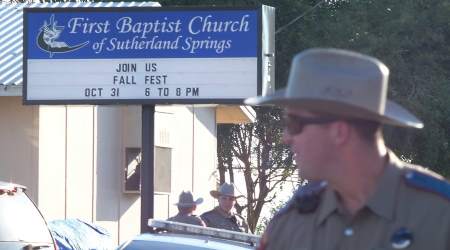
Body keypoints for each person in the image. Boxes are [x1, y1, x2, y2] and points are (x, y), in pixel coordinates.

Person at [245, 48, 450, 250]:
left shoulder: (439, 216)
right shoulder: (291, 223)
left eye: (294, 123)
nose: (286, 138)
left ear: (339, 132)